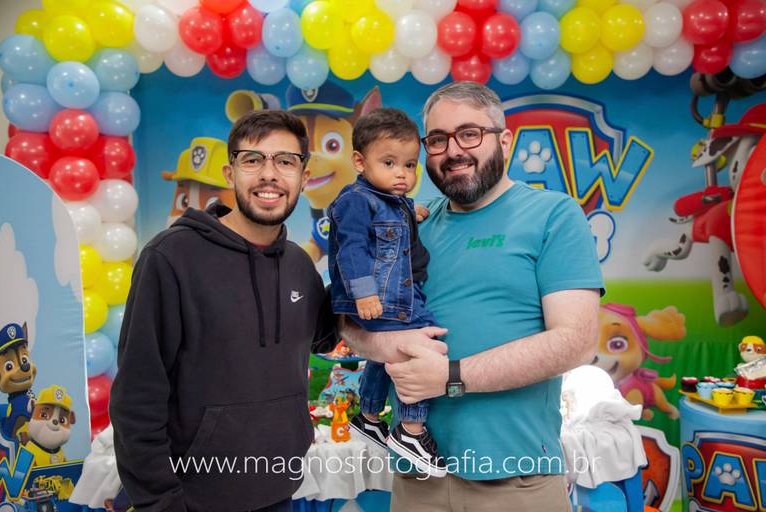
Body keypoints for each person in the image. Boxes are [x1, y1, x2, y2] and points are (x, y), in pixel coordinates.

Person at [341, 81, 604, 511]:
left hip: (517, 482)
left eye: (469, 134)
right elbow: (347, 317)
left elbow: (576, 341)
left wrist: (450, 376)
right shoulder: (409, 223)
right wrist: (383, 344)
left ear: (505, 141)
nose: (453, 151)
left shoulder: (553, 215)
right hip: (417, 481)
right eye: (437, 139)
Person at [110, 110, 338, 512]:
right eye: (253, 160)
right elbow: (137, 398)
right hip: (192, 501)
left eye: (285, 161)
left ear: (303, 177)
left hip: (278, 491)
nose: (269, 174)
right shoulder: (170, 258)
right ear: (230, 174)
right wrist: (161, 502)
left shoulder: (300, 265)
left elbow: (325, 336)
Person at [327, 108, 446, 477]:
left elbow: (391, 222)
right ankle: (411, 429)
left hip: (399, 295)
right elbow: (351, 248)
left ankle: (369, 415)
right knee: (422, 348)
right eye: (389, 163)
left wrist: (413, 211)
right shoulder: (355, 201)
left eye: (410, 165)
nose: (402, 174)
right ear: (359, 162)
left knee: (385, 356)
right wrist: (364, 292)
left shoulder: (394, 200)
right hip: (383, 298)